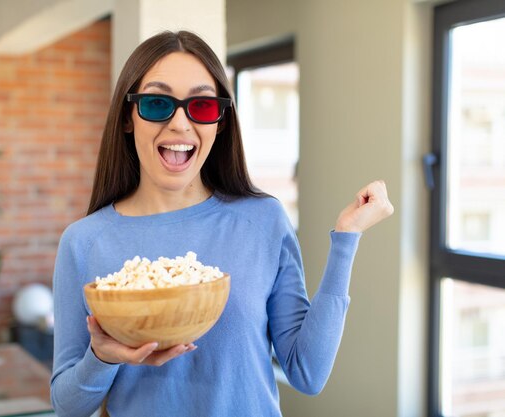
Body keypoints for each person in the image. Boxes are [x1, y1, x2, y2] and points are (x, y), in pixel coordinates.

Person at [50, 30, 394, 417]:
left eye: (201, 106)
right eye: (158, 103)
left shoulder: (262, 220)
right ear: (129, 117)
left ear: (221, 121)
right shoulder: (84, 242)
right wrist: (101, 356)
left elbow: (307, 372)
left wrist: (346, 239)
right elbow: (67, 406)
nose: (180, 124)